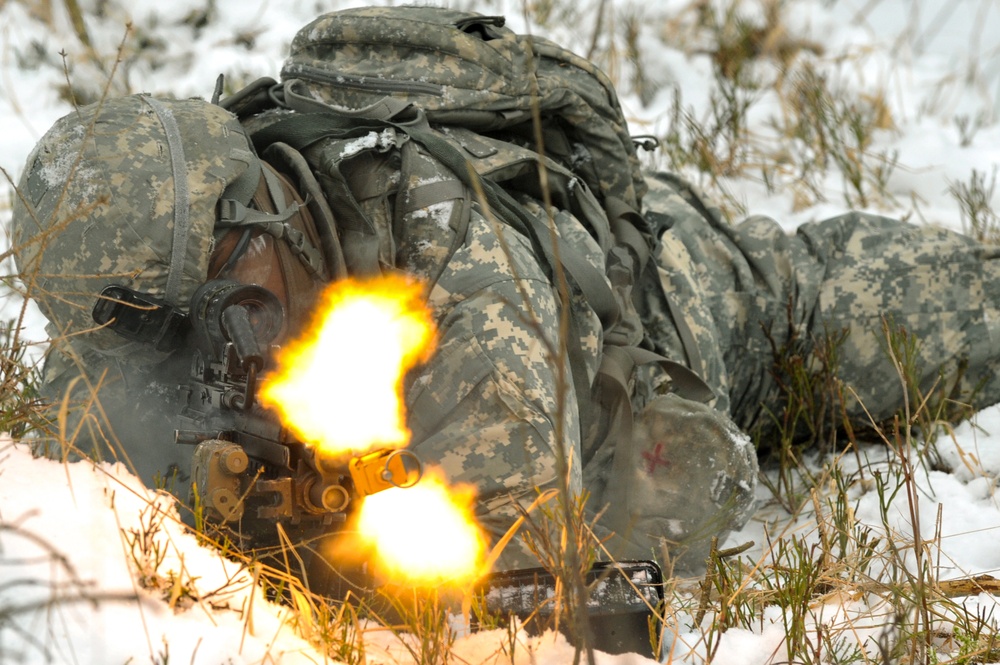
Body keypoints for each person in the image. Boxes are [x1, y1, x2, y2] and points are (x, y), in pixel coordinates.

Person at [10, 13, 1000, 580]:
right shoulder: (147, 316)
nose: (217, 347)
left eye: (227, 290)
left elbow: (514, 564)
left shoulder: (452, 277)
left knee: (928, 320)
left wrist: (276, 522)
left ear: (262, 209)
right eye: (167, 331)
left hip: (702, 290)